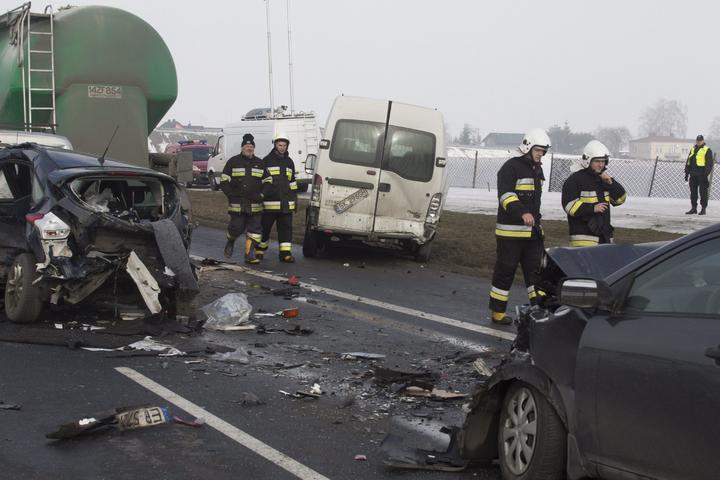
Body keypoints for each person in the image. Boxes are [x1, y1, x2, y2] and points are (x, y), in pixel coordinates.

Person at [488, 128, 550, 325]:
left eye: (543, 151)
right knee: (505, 271)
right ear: (527, 147)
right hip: (510, 234)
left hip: (531, 234)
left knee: (536, 274)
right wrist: (522, 212)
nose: (541, 154)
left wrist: (537, 223)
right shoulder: (510, 167)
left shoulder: (536, 169)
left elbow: (535, 203)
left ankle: (539, 311)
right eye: (538, 150)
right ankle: (497, 313)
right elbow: (506, 196)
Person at [561, 140, 627, 246]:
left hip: (604, 238)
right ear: (588, 161)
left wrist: (611, 184)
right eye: (597, 161)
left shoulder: (604, 179)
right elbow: (569, 206)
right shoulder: (575, 179)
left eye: (603, 161)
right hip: (583, 239)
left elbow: (620, 200)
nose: (601, 165)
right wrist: (592, 208)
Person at [219, 133, 264, 264]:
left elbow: (268, 181)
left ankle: (249, 255)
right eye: (247, 146)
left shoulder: (260, 163)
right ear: (242, 147)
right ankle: (231, 241)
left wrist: (262, 195)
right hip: (237, 203)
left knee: (254, 230)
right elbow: (224, 180)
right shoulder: (233, 162)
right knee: (236, 227)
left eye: (251, 146)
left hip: (255, 204)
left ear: (253, 148)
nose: (249, 148)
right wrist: (230, 194)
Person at [257, 133, 298, 263]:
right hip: (269, 205)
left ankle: (285, 254)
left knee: (286, 230)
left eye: (284, 145)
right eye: (280, 145)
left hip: (285, 205)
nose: (282, 148)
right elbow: (261, 181)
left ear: (287, 147)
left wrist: (295, 199)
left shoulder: (289, 162)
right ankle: (259, 250)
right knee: (265, 228)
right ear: (275, 145)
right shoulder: (266, 161)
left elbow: (292, 182)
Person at [685, 134, 714, 215]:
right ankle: (693, 208)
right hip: (693, 174)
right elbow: (688, 162)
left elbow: (709, 164)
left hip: (702, 174)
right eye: (697, 140)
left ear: (703, 141)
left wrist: (705, 174)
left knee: (703, 193)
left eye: (700, 140)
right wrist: (687, 172)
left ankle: (703, 209)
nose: (699, 142)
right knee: (693, 192)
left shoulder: (707, 150)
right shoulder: (693, 149)